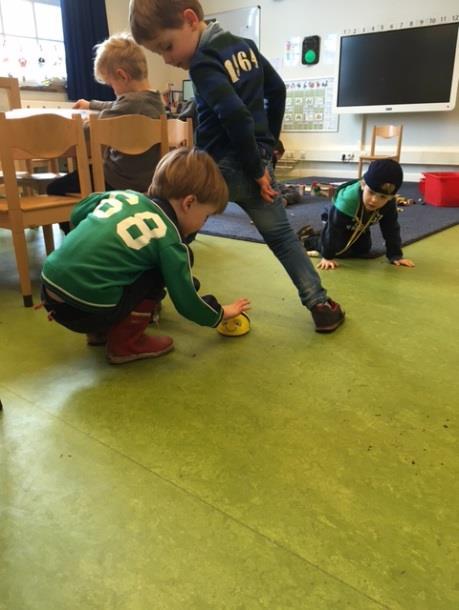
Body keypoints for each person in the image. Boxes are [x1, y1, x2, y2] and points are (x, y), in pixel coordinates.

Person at [129, 0, 345, 334]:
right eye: (159, 54)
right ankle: (320, 305)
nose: (168, 60)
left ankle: (143, 304)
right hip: (256, 159)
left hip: (216, 169)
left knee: (173, 234)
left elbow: (235, 115)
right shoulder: (246, 47)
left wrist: (254, 169)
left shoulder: (203, 62)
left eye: (167, 47)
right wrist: (267, 147)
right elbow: (277, 89)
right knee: (283, 238)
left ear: (190, 20)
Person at [41, 147, 250, 365]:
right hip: (86, 311)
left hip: (49, 291)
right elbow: (186, 302)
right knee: (155, 273)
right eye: (206, 216)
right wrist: (220, 313)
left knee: (126, 266)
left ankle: (100, 332)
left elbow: (79, 211)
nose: (203, 224)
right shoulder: (169, 239)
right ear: (189, 203)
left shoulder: (124, 196)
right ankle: (127, 344)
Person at [47, 32, 165, 197]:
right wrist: (91, 104)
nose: (113, 90)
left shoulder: (128, 106)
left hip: (115, 180)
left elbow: (89, 130)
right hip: (147, 181)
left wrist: (82, 122)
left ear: (122, 76)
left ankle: (82, 222)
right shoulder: (154, 101)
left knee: (54, 188)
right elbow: (116, 105)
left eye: (111, 85)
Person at [300, 159, 416, 270]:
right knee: (339, 249)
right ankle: (309, 239)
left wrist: (395, 255)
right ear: (363, 185)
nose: (374, 200)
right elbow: (333, 229)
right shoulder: (348, 200)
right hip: (336, 218)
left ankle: (323, 236)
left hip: (360, 222)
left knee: (364, 249)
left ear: (390, 198)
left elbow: (391, 229)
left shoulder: (388, 204)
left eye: (383, 197)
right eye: (371, 192)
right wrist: (327, 256)